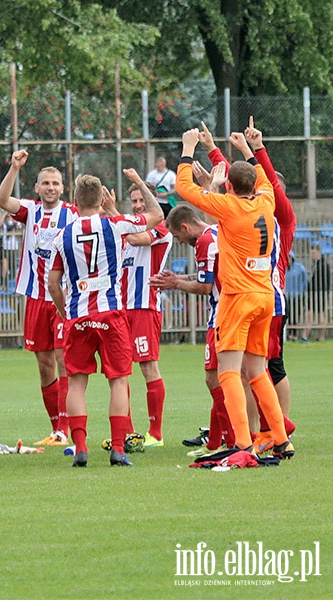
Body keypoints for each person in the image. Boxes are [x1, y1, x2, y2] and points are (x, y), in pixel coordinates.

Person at [175, 128, 293, 459]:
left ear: (228, 186)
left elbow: (183, 188)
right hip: (265, 297)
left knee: (228, 371)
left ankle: (242, 443)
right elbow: (266, 180)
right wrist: (249, 152)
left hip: (238, 298)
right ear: (254, 184)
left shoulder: (229, 207)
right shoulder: (267, 200)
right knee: (257, 371)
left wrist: (188, 148)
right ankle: (281, 439)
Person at [48, 171, 163, 468]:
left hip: (78, 316)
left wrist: (64, 310)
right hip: (111, 313)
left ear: (74, 201)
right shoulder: (114, 225)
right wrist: (139, 183)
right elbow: (156, 214)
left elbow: (52, 283)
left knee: (76, 382)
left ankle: (81, 447)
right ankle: (118, 448)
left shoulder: (62, 236)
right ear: (101, 200)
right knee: (118, 380)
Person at [0, 151, 77, 447]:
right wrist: (14, 168)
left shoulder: (73, 213)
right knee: (44, 365)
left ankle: (65, 429)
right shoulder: (31, 210)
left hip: (63, 297)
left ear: (63, 188)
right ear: (37, 188)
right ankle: (56, 427)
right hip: (35, 297)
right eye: (45, 183)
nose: (50, 187)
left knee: (63, 359)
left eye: (55, 183)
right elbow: (2, 200)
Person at [153, 205, 231, 454]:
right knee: (223, 378)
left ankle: (233, 441)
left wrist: (175, 283)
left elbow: (205, 287)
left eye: (178, 236)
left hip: (221, 315)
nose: (180, 240)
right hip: (231, 311)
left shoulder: (204, 242)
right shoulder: (217, 231)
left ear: (185, 227)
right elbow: (209, 274)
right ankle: (215, 441)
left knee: (214, 379)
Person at [119, 180, 173, 447]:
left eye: (143, 201)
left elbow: (136, 237)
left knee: (148, 366)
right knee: (118, 371)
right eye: (135, 202)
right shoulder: (124, 231)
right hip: (120, 309)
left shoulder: (161, 229)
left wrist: (110, 216)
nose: (139, 206)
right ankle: (128, 432)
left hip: (144, 307)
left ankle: (156, 434)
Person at [304, 243, 331, 342]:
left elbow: (323, 281)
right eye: (311, 253)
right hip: (316, 294)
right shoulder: (316, 264)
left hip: (319, 294)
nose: (312, 255)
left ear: (319, 252)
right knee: (319, 315)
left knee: (320, 315)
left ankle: (319, 336)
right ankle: (320, 337)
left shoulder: (323, 265)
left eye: (313, 252)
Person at [286, 254, 308, 341]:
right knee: (287, 315)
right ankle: (289, 333)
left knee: (295, 314)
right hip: (287, 296)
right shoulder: (283, 268)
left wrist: (301, 292)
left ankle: (294, 334)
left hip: (297, 296)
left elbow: (305, 280)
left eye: (290, 258)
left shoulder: (300, 267)